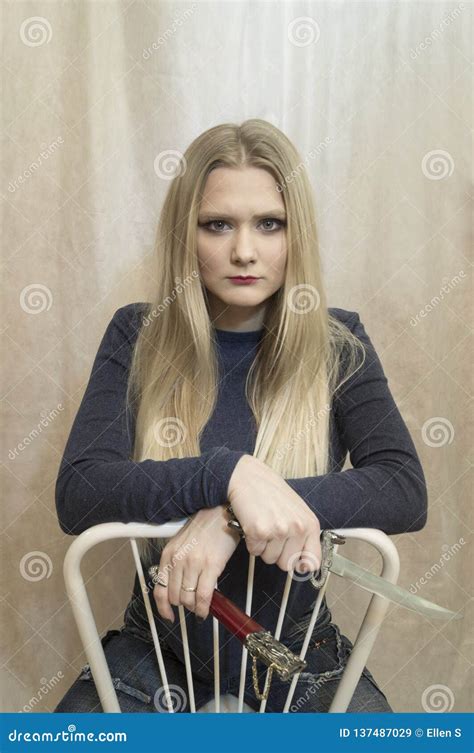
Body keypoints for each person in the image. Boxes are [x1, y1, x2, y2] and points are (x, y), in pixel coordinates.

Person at [53, 119, 427, 713]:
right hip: (156, 652)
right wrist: (228, 473)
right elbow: (79, 493)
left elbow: (404, 490)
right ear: (186, 235)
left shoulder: (338, 342)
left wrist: (231, 516)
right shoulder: (138, 334)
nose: (244, 251)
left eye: (269, 224)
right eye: (218, 224)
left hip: (301, 658)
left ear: (294, 235)